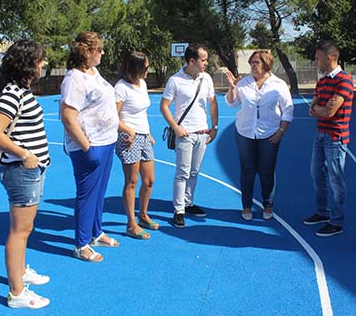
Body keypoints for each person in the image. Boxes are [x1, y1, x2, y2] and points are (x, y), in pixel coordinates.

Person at [0, 39, 51, 309]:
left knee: (25, 228)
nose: (43, 64)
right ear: (28, 64)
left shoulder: (20, 90)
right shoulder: (13, 93)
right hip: (22, 172)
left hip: (31, 171)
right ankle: (16, 292)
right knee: (19, 231)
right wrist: (25, 155)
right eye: (40, 60)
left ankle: (21, 271)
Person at [60, 31, 120, 263]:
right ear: (86, 51)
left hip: (106, 141)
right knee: (87, 195)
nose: (103, 52)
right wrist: (86, 147)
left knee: (100, 192)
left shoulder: (93, 72)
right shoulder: (74, 79)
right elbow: (67, 117)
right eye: (99, 49)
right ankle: (81, 244)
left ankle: (96, 232)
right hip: (90, 146)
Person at [225, 50, 294, 221]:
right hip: (245, 133)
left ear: (266, 64)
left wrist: (281, 132)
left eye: (257, 62)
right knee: (247, 171)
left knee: (267, 171)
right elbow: (232, 104)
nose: (253, 66)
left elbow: (288, 110)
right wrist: (233, 87)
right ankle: (246, 205)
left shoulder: (279, 84)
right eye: (251, 63)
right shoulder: (243, 83)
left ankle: (267, 204)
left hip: (270, 134)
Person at [160, 43, 219, 228]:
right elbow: (164, 106)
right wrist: (176, 127)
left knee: (194, 171)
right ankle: (179, 210)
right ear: (192, 61)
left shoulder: (206, 78)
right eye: (203, 60)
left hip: (202, 133)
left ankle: (188, 202)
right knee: (182, 172)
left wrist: (214, 126)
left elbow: (212, 102)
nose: (206, 63)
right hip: (185, 133)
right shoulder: (175, 80)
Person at [303, 40, 354, 237]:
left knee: (336, 179)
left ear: (329, 57)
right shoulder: (322, 81)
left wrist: (320, 108)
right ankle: (322, 212)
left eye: (317, 58)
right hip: (320, 134)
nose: (315, 61)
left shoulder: (344, 80)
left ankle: (337, 220)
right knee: (317, 175)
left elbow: (330, 111)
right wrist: (320, 108)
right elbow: (315, 107)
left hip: (335, 136)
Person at [114, 51, 157, 239]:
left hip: (143, 136)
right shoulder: (121, 88)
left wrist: (148, 133)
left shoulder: (143, 84)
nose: (148, 70)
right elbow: (112, 117)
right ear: (136, 67)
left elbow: (143, 112)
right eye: (146, 67)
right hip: (128, 139)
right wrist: (129, 131)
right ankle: (131, 224)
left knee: (149, 180)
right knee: (132, 182)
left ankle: (143, 214)